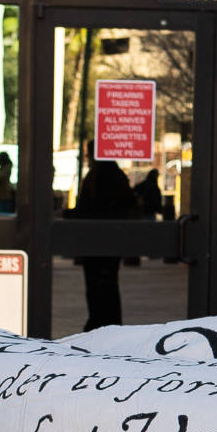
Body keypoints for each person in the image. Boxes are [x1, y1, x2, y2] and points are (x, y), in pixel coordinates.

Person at [70, 142, 137, 331]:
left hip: (95, 240)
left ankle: (98, 323)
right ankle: (109, 324)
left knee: (96, 285)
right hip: (112, 240)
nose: (87, 158)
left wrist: (68, 215)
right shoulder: (116, 175)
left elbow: (87, 209)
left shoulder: (96, 177)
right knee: (108, 284)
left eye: (89, 154)